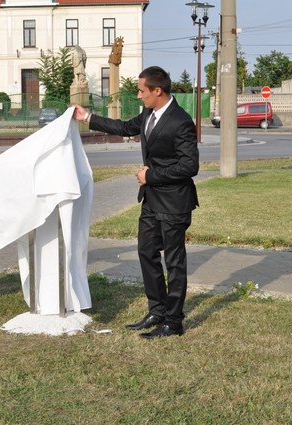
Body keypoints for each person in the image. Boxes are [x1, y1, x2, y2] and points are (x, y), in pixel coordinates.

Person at [73, 66, 199, 339]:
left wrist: (150, 175)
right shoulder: (147, 114)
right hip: (151, 200)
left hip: (175, 203)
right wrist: (87, 117)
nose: (139, 96)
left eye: (142, 91)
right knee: (146, 252)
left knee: (174, 262)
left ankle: (174, 321)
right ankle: (157, 310)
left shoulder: (180, 121)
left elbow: (190, 165)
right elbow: (123, 127)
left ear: (158, 90)